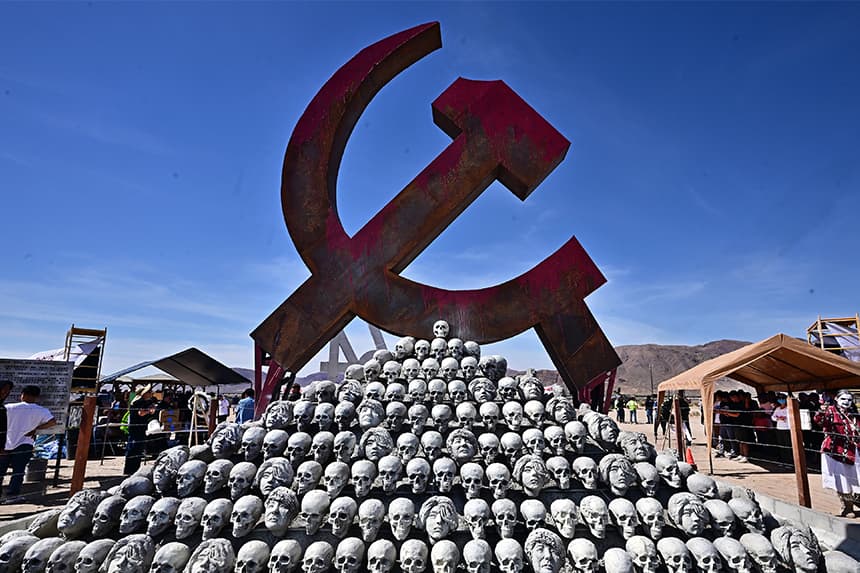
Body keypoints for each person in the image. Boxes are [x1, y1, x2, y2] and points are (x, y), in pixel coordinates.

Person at [0, 385, 56, 502]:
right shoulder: (41, 410)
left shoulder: (9, 407)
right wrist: (36, 429)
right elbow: (52, 422)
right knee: (18, 471)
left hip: (6, 442)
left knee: (1, 470)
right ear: (37, 397)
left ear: (23, 394)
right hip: (25, 442)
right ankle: (12, 495)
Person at [814, 390, 860, 516]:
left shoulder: (854, 414)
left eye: (849, 400)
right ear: (837, 400)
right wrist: (822, 410)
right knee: (843, 479)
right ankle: (847, 507)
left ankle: (856, 501)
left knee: (856, 478)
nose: (846, 402)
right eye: (843, 399)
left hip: (853, 449)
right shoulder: (830, 411)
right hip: (835, 450)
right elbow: (820, 421)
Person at [123, 386, 157, 475]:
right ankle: (130, 470)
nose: (151, 393)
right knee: (134, 448)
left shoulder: (145, 402)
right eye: (149, 392)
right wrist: (149, 411)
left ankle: (133, 470)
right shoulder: (138, 402)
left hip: (140, 427)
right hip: (136, 428)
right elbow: (141, 413)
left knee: (137, 449)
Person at [771, 394, 792, 465]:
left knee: (788, 445)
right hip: (779, 428)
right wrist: (778, 418)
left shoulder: (788, 408)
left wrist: (782, 418)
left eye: (782, 399)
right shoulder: (777, 409)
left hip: (787, 428)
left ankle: (790, 461)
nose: (781, 401)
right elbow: (773, 417)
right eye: (779, 399)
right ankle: (783, 460)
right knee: (781, 445)